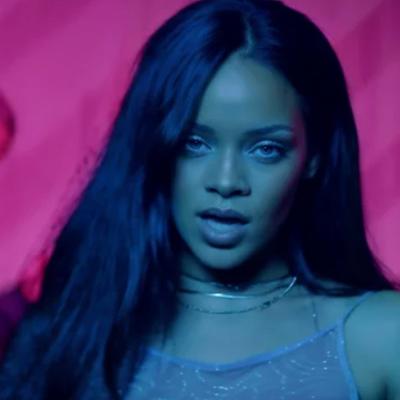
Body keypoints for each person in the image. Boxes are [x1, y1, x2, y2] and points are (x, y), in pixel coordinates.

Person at [0, 0, 399, 398]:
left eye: (265, 149)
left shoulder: (380, 338)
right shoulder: (77, 335)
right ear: (154, 145)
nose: (226, 182)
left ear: (315, 157)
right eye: (194, 143)